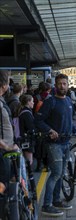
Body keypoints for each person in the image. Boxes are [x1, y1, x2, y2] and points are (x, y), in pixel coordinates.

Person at [35, 74, 76, 217]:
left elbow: (70, 122)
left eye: (64, 84)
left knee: (60, 175)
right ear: (55, 85)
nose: (62, 86)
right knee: (55, 174)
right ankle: (46, 205)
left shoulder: (67, 101)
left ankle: (56, 200)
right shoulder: (50, 101)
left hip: (66, 143)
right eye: (59, 84)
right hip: (53, 144)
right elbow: (38, 120)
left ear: (68, 84)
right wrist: (50, 130)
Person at [0, 70, 19, 218]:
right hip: (2, 152)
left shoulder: (2, 102)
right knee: (3, 186)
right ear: (5, 85)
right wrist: (7, 146)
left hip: (6, 151)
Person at [19, 94, 36, 165]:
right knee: (29, 161)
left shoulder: (23, 111)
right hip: (27, 140)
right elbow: (31, 127)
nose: (33, 103)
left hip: (24, 139)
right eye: (32, 101)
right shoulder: (27, 114)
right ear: (28, 102)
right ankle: (28, 175)